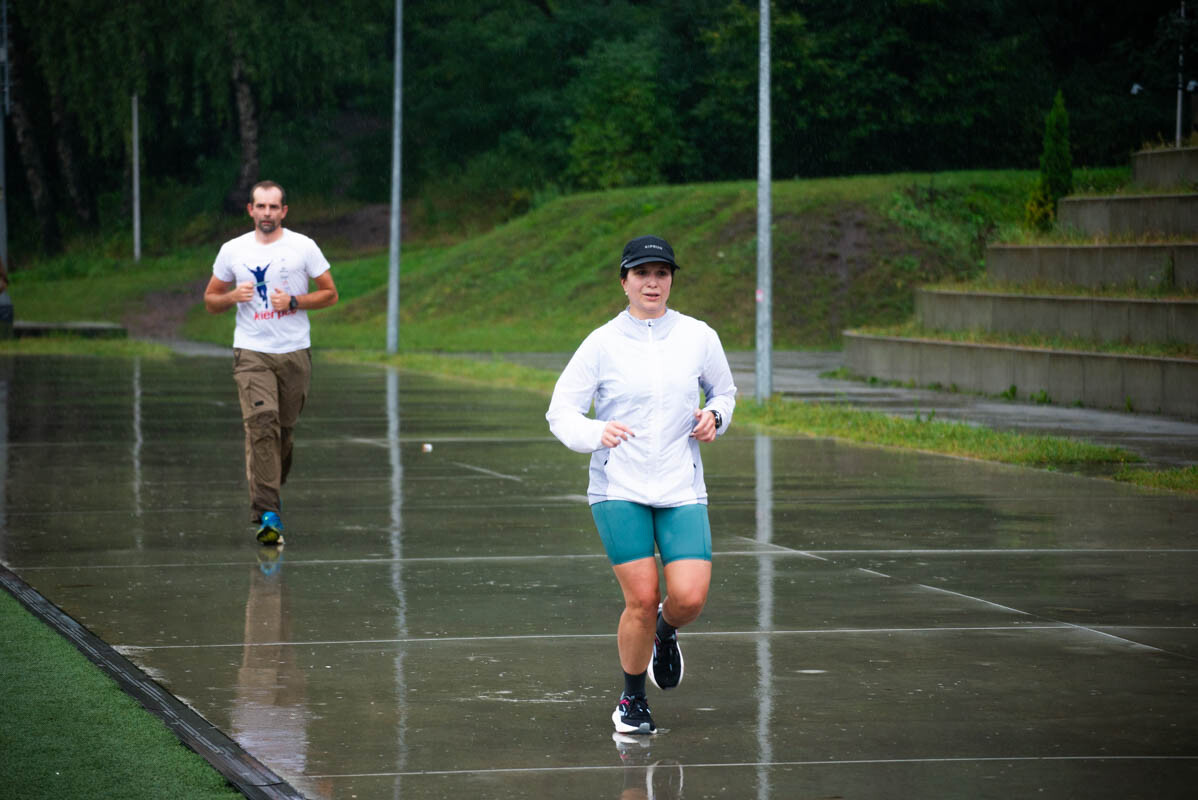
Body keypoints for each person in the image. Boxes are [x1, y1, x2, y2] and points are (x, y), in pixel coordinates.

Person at [546, 235, 736, 735]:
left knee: (689, 598)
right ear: (624, 280)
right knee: (641, 597)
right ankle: (631, 700)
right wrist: (594, 432)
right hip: (619, 486)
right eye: (642, 273)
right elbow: (560, 410)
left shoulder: (698, 336)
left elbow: (725, 391)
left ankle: (665, 633)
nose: (652, 282)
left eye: (662, 273)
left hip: (680, 485)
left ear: (671, 279)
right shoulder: (602, 343)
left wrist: (716, 415)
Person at [204, 181, 339, 545]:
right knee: (262, 425)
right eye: (260, 207)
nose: (267, 213)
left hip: (294, 352)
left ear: (284, 211)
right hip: (251, 352)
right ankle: (268, 514)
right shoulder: (233, 250)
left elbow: (330, 293)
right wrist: (232, 295)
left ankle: (269, 492)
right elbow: (211, 300)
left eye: (273, 207)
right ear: (250, 210)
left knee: (283, 431)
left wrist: (294, 302)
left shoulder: (303, 247)